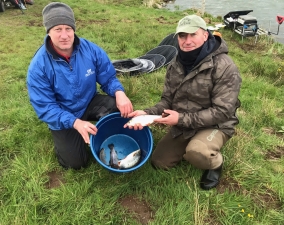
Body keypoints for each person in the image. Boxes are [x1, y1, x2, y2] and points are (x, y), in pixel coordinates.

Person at [124, 15, 241, 190]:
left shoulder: (225, 67)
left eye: (193, 34)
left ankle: (215, 163)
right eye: (182, 36)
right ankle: (192, 144)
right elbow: (167, 101)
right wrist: (147, 113)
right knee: (159, 162)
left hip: (216, 124)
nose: (187, 41)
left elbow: (222, 111)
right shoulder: (176, 64)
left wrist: (180, 119)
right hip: (185, 122)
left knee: (197, 152)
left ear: (205, 35)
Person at [27, 2, 133, 170]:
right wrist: (74, 122)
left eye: (68, 28)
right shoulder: (38, 66)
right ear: (48, 31)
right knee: (76, 163)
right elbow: (45, 107)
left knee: (119, 107)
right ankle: (67, 138)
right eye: (57, 29)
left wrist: (119, 92)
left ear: (74, 29)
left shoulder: (90, 49)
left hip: (89, 101)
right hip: (63, 113)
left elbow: (108, 77)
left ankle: (105, 131)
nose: (64, 35)